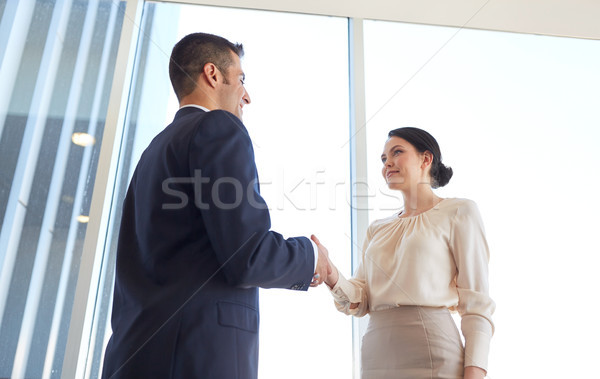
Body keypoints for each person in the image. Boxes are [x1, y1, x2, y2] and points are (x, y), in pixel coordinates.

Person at [101, 33, 330, 379]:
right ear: (212, 74)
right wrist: (311, 257)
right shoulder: (218, 128)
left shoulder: (153, 152)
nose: (247, 96)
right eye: (241, 80)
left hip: (134, 357)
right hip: (195, 357)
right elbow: (248, 255)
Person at [313, 127, 495, 379]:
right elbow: (361, 299)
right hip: (377, 355)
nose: (388, 163)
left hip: (433, 352)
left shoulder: (459, 212)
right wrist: (331, 273)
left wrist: (475, 374)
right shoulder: (377, 229)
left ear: (426, 159)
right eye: (383, 158)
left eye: (396, 152)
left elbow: (476, 304)